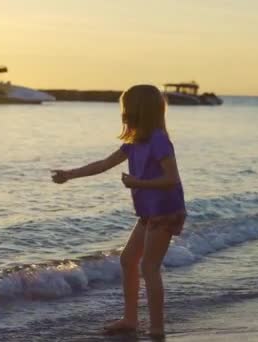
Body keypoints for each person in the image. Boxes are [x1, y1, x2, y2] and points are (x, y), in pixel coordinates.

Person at [51, 84, 186, 338]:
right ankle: (130, 319)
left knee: (149, 267)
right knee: (128, 260)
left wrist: (138, 183)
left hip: (166, 209)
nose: (123, 114)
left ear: (139, 110)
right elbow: (104, 164)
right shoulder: (135, 142)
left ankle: (157, 329)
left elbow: (172, 178)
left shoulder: (158, 140)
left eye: (126, 109)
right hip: (149, 212)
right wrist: (69, 175)